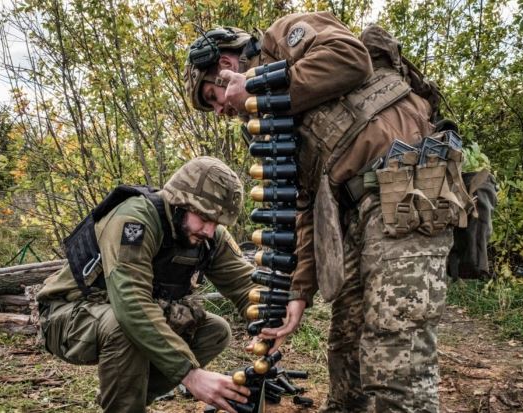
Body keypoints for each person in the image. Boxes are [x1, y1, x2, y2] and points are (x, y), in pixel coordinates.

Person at [184, 12, 458, 413]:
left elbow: (350, 58)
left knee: (396, 352)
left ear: (226, 67)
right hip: (351, 217)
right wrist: (297, 294)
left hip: (407, 189)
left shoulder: (281, 37)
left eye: (213, 98)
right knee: (346, 347)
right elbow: (304, 207)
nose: (222, 111)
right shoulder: (276, 120)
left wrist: (255, 85)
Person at [37, 156, 255, 413]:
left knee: (214, 331)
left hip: (119, 314)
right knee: (124, 327)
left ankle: (128, 398)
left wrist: (270, 322)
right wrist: (191, 374)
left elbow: (245, 285)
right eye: (204, 218)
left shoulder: (208, 236)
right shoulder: (135, 220)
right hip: (67, 314)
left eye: (217, 222)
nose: (209, 230)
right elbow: (132, 305)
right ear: (179, 202)